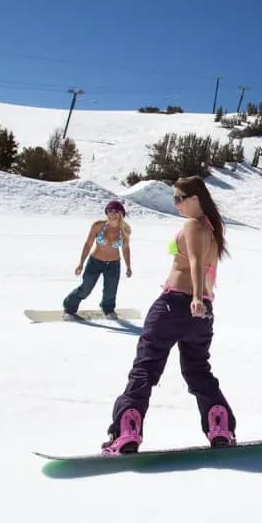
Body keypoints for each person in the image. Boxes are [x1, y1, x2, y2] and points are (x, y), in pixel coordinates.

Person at [102, 176, 237, 454]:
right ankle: (220, 427)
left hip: (174, 304)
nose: (175, 204)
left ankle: (127, 431)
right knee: (198, 370)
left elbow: (197, 262)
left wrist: (196, 297)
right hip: (201, 314)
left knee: (145, 368)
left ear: (195, 199)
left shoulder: (193, 225)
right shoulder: (212, 228)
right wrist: (201, 302)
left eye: (179, 198)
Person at [64, 200, 133, 319]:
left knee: (111, 291)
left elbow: (126, 248)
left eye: (116, 211)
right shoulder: (98, 226)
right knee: (85, 288)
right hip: (95, 262)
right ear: (106, 213)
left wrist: (128, 266)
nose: (113, 213)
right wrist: (81, 263)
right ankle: (69, 308)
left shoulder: (125, 230)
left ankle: (108, 309)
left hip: (113, 264)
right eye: (110, 211)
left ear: (122, 213)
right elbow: (88, 244)